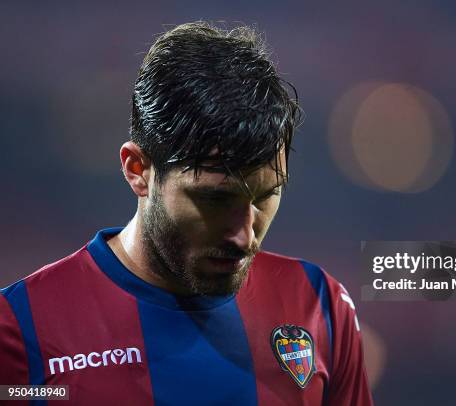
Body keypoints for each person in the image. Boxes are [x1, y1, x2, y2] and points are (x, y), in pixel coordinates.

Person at [0, 22, 373, 405]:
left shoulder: (319, 305)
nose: (245, 236)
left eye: (266, 196)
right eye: (214, 199)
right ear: (137, 170)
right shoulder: (18, 327)